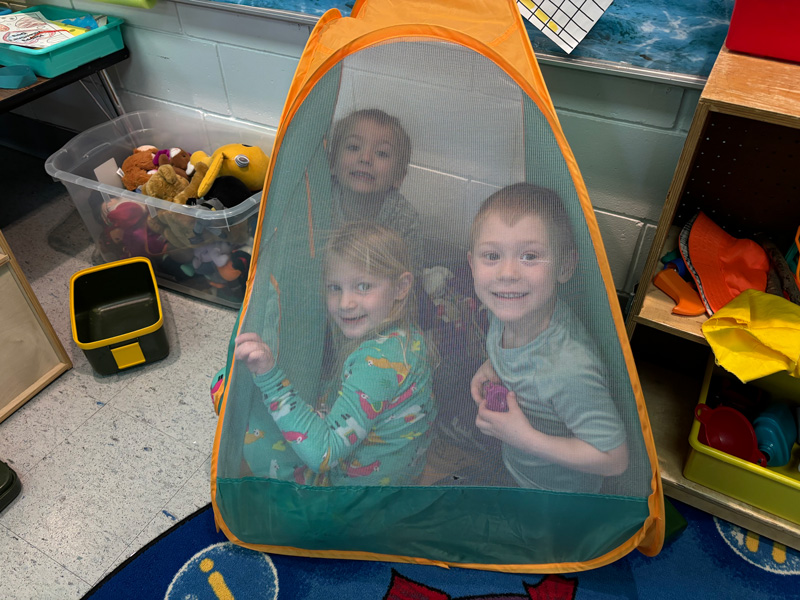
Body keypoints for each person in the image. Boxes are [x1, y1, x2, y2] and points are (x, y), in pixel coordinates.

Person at [234, 222, 437, 486]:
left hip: (345, 496)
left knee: (226, 385)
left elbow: (323, 455)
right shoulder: (406, 338)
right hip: (397, 481)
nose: (345, 303)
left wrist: (271, 379)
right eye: (335, 288)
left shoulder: (377, 364)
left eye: (363, 286)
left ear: (401, 287)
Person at [468, 182, 628, 493]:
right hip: (516, 468)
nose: (507, 273)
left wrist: (526, 439)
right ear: (471, 264)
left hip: (557, 498)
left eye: (529, 256)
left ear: (564, 267)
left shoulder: (568, 369)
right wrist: (492, 364)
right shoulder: (505, 307)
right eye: (492, 255)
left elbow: (614, 459)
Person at [328, 108, 424, 272]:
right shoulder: (318, 200)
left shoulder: (403, 219)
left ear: (399, 177)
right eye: (353, 147)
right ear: (332, 163)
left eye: (381, 153)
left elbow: (410, 277)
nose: (365, 158)